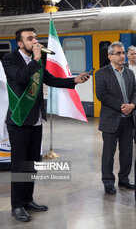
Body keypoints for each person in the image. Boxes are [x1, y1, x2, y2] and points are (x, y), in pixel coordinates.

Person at [2, 27, 89, 222]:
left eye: (35, 37)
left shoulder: (38, 60)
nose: (35, 41)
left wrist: (73, 80)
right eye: (30, 38)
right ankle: (17, 206)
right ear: (20, 43)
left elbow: (49, 79)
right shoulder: (9, 59)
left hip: (35, 120)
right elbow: (20, 78)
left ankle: (28, 199)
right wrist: (36, 58)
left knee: (32, 165)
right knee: (19, 166)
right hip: (18, 120)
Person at [95, 42, 136, 195]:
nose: (122, 56)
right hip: (111, 120)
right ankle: (108, 182)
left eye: (122, 53)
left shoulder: (129, 73)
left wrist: (132, 105)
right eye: (118, 53)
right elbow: (102, 95)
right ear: (110, 56)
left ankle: (124, 179)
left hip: (128, 120)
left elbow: (135, 92)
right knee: (109, 153)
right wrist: (121, 106)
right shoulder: (101, 73)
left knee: (126, 152)